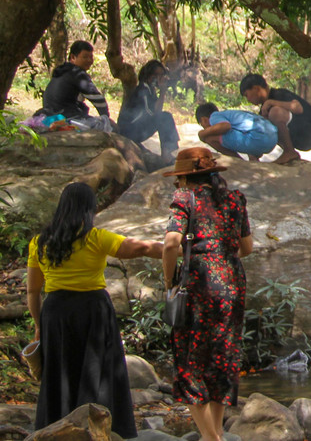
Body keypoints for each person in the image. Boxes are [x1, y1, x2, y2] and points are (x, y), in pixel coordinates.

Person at [26, 182, 162, 438]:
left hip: (56, 313)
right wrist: (176, 249)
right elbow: (142, 248)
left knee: (60, 370)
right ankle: (103, 430)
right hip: (93, 310)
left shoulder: (40, 242)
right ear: (89, 209)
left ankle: (55, 430)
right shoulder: (96, 238)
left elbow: (33, 292)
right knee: (98, 370)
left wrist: (38, 325)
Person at [162, 146, 253, 441]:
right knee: (223, 357)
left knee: (189, 360)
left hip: (197, 283)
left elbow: (170, 243)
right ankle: (216, 433)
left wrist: (169, 281)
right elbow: (247, 247)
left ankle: (210, 437)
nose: (178, 184)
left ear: (186, 178)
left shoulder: (184, 198)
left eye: (178, 179)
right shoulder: (235, 199)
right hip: (232, 281)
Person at [237, 74, 311, 165]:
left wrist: (271, 102)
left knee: (275, 113)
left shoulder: (280, 94)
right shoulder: (264, 110)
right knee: (260, 124)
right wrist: (252, 153)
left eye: (247, 95)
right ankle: (288, 151)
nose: (248, 99)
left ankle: (289, 152)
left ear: (256, 88)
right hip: (299, 138)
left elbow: (298, 108)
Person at [117, 60, 179, 160]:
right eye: (158, 75)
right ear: (150, 77)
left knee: (165, 117)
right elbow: (155, 113)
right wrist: (162, 92)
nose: (162, 78)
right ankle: (167, 154)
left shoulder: (150, 90)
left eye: (162, 75)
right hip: (130, 131)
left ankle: (170, 151)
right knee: (165, 117)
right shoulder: (143, 90)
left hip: (137, 128)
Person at [42, 41, 111, 129]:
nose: (89, 60)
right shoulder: (77, 74)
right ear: (73, 57)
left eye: (91, 57)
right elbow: (97, 99)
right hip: (65, 117)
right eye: (85, 57)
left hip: (49, 115)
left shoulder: (62, 70)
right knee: (110, 127)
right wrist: (106, 119)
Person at [195, 103, 277, 161]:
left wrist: (202, 133)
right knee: (242, 132)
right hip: (272, 138)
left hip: (259, 139)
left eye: (203, 125)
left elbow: (225, 126)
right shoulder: (229, 114)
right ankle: (253, 158)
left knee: (209, 138)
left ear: (204, 120)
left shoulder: (214, 116)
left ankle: (239, 162)